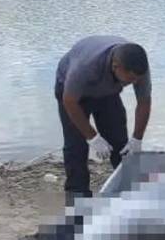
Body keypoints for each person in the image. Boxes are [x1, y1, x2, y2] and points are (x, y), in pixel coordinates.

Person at [55, 35, 152, 206]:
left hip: (107, 92)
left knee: (119, 141)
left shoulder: (138, 68)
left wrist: (137, 138)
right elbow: (69, 101)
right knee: (76, 146)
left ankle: (127, 190)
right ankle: (78, 199)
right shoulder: (84, 68)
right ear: (116, 67)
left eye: (137, 78)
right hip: (72, 95)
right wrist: (92, 137)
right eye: (130, 80)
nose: (136, 82)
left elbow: (144, 101)